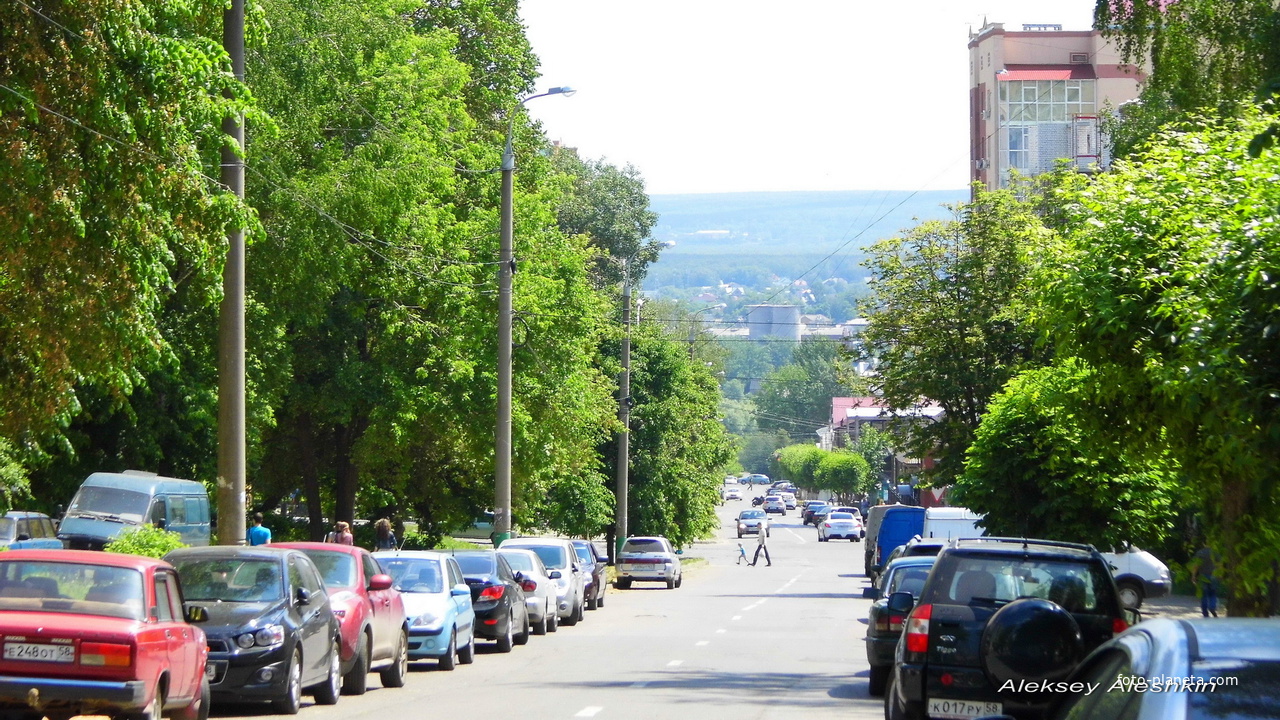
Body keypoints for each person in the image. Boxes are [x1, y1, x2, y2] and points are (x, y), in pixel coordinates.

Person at [1192, 545, 1219, 617]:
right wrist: (1219, 575)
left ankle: (1205, 614)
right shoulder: (1215, 552)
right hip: (1213, 575)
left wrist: (1194, 576)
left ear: (1203, 543)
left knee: (1204, 595)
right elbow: (1220, 565)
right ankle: (1212, 607)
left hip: (1203, 577)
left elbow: (1196, 565)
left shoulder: (1200, 553)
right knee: (1213, 593)